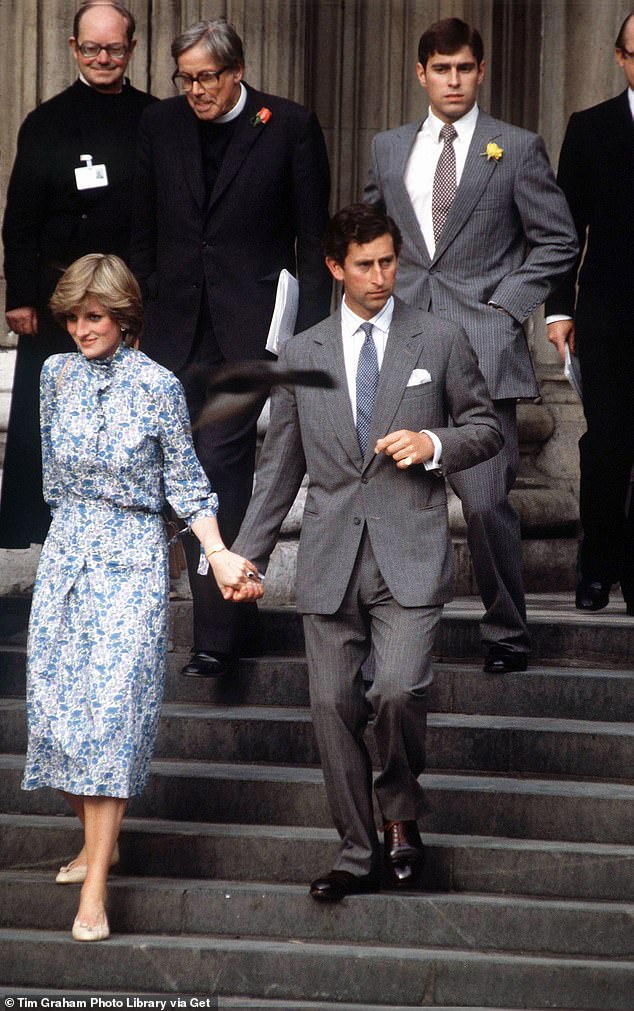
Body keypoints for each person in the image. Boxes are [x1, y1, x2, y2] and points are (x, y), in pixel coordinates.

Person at [230, 204, 502, 901]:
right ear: (334, 267)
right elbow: (280, 467)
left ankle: (401, 817)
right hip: (327, 559)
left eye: (389, 261)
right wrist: (244, 555)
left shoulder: (437, 338)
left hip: (408, 552)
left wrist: (434, 444)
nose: (382, 276)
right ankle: (357, 851)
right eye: (366, 265)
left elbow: (486, 427)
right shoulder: (302, 352)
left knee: (397, 689)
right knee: (329, 707)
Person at [22, 253, 262, 942]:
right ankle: (104, 840)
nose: (78, 328)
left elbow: (186, 485)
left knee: (113, 718)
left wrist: (215, 554)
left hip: (131, 559)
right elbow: (49, 475)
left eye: (92, 316)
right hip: (68, 550)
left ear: (123, 317)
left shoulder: (157, 386)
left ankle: (95, 885)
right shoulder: (52, 375)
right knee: (56, 719)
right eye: (71, 316)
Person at [364, 17, 578, 673]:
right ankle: (392, 639)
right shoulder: (388, 147)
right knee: (394, 498)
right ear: (421, 73)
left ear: (480, 72)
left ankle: (507, 630)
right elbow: (374, 233)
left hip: (485, 350)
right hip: (406, 344)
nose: (453, 80)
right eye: (441, 68)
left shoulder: (515, 147)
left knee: (486, 502)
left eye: (464, 68)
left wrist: (505, 306)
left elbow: (558, 240)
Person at [130, 18, 332, 678]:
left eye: (206, 78)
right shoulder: (159, 126)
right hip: (171, 325)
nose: (195, 90)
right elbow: (142, 227)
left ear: (236, 70)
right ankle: (233, 608)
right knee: (172, 466)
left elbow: (312, 239)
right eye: (184, 78)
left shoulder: (290, 125)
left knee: (216, 460)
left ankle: (215, 635)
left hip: (250, 330)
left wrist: (312, 340)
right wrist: (144, 301)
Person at [0, 1, 156, 550]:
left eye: (115, 47)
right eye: (92, 48)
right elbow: (19, 217)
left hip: (130, 300)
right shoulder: (47, 122)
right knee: (51, 422)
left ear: (132, 49)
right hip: (59, 301)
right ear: (73, 49)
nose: (103, 58)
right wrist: (20, 296)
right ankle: (43, 539)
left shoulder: (156, 118)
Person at [545, 13, 634, 616]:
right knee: (608, 442)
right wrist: (557, 309)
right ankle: (597, 567)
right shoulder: (590, 128)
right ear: (622, 57)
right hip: (609, 315)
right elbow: (561, 230)